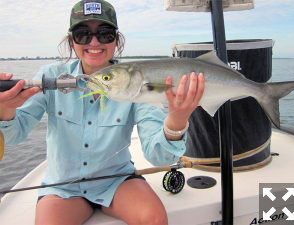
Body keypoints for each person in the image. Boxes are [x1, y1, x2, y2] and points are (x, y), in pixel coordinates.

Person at [0, 0, 205, 224]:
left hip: (117, 182)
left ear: (117, 40)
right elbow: (13, 135)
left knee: (154, 219)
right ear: (72, 40)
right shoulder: (50, 75)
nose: (94, 42)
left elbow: (159, 156)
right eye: (83, 34)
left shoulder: (138, 81)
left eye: (105, 34)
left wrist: (177, 120)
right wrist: (6, 108)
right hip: (63, 187)